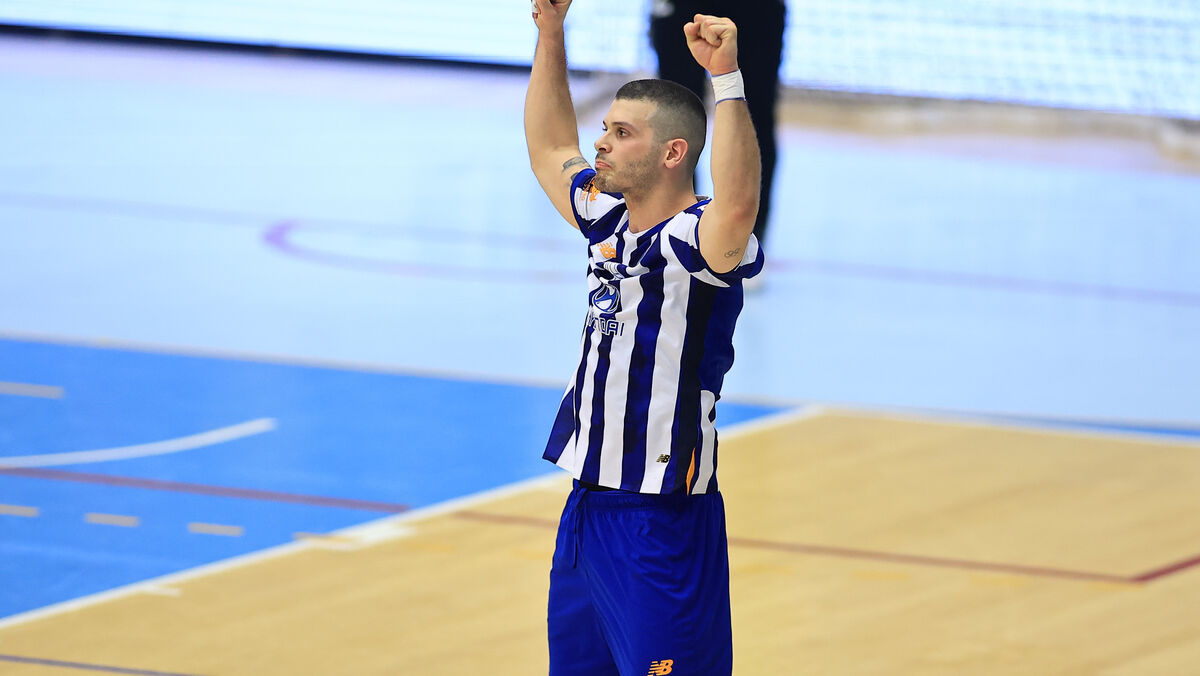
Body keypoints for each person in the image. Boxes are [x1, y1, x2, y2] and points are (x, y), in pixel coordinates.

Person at [525, 1, 763, 674]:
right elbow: (549, 149)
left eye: (621, 132)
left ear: (671, 153)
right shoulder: (606, 218)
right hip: (586, 506)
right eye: (605, 128)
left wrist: (727, 79)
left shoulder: (700, 240)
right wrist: (551, 33)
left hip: (661, 517)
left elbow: (739, 203)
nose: (600, 142)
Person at [651, 0, 785, 250]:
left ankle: (746, 239)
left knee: (755, 116)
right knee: (675, 118)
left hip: (757, 10)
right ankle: (678, 230)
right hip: (682, 8)